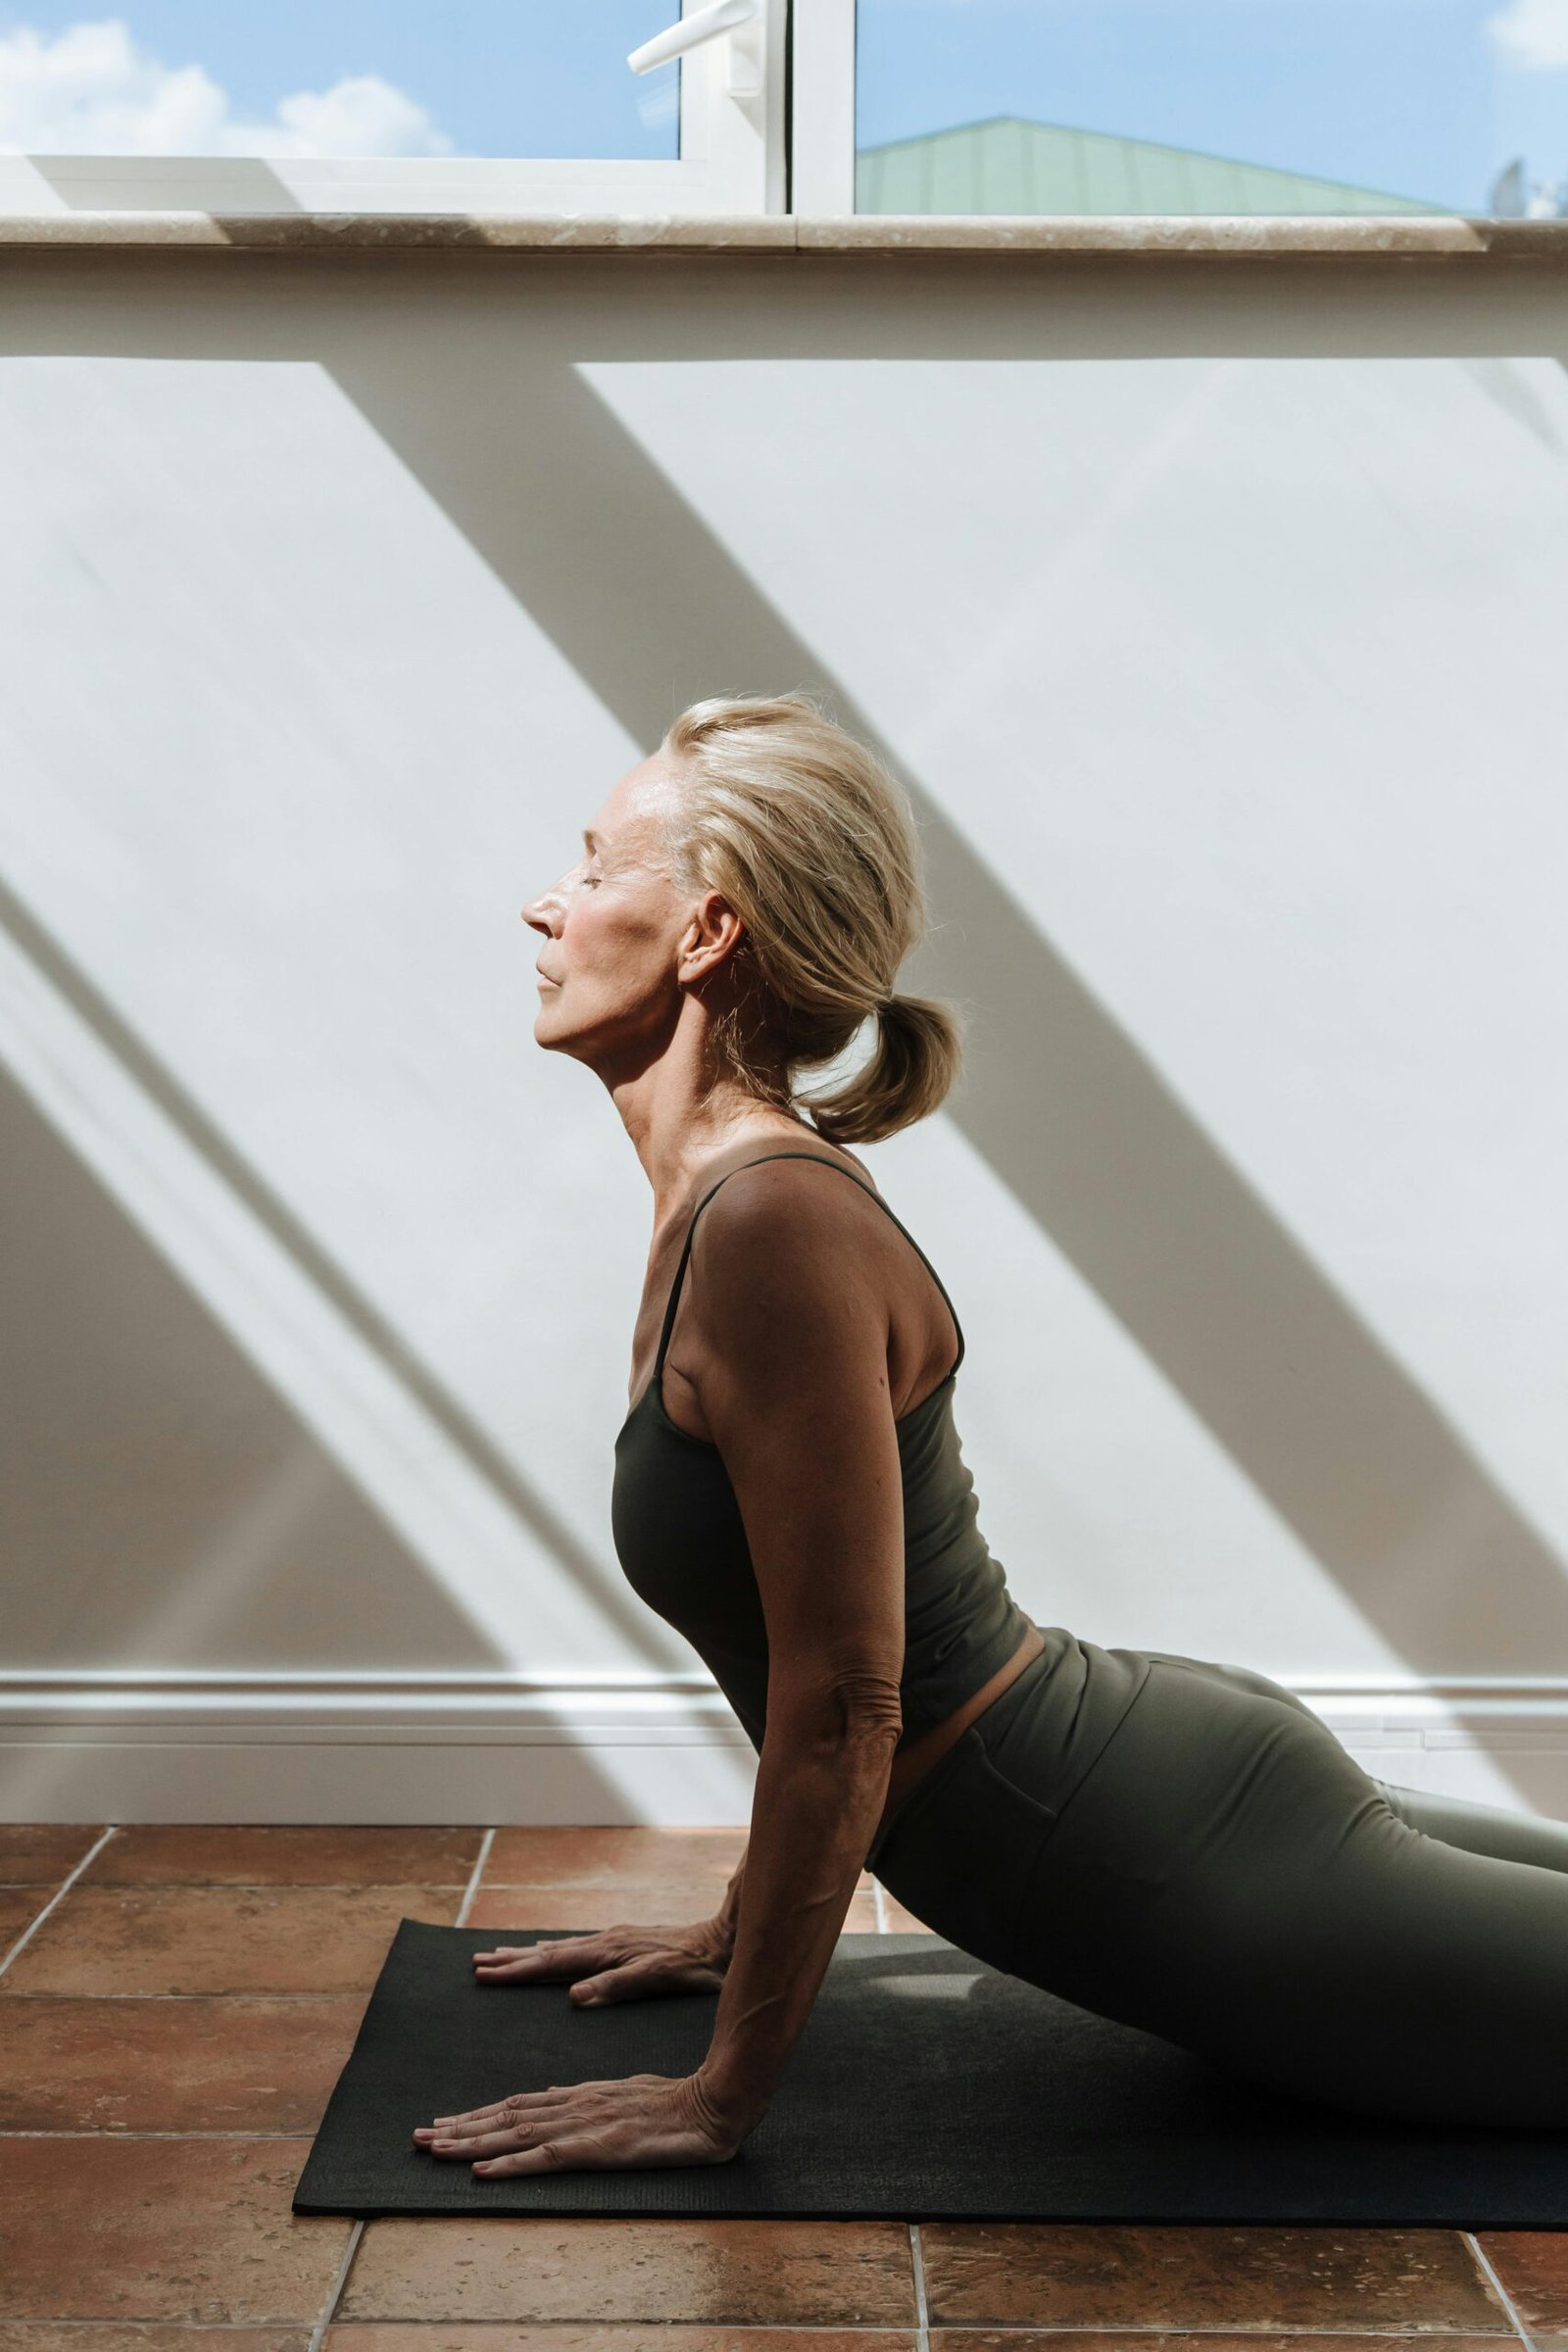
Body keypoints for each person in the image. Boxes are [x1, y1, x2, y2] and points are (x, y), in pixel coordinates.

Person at [414, 691, 1568, 2184]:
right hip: (1141, 1785)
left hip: (1158, 1858)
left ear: (704, 933)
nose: (544, 902)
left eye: (589, 865)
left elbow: (844, 1701)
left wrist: (719, 2100)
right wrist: (729, 1934)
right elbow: (806, 1661)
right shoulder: (726, 1198)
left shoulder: (767, 1220)